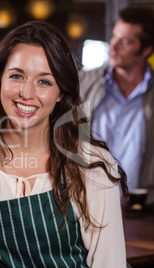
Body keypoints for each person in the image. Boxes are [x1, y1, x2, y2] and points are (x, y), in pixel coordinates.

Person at [0, 21, 129, 267]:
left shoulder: (92, 165)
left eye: (44, 82)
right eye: (17, 76)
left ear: (60, 92)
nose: (27, 93)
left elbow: (109, 263)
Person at [79, 6, 154, 204]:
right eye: (114, 36)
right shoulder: (82, 84)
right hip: (85, 204)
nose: (113, 45)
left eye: (125, 41)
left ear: (146, 50)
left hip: (140, 213)